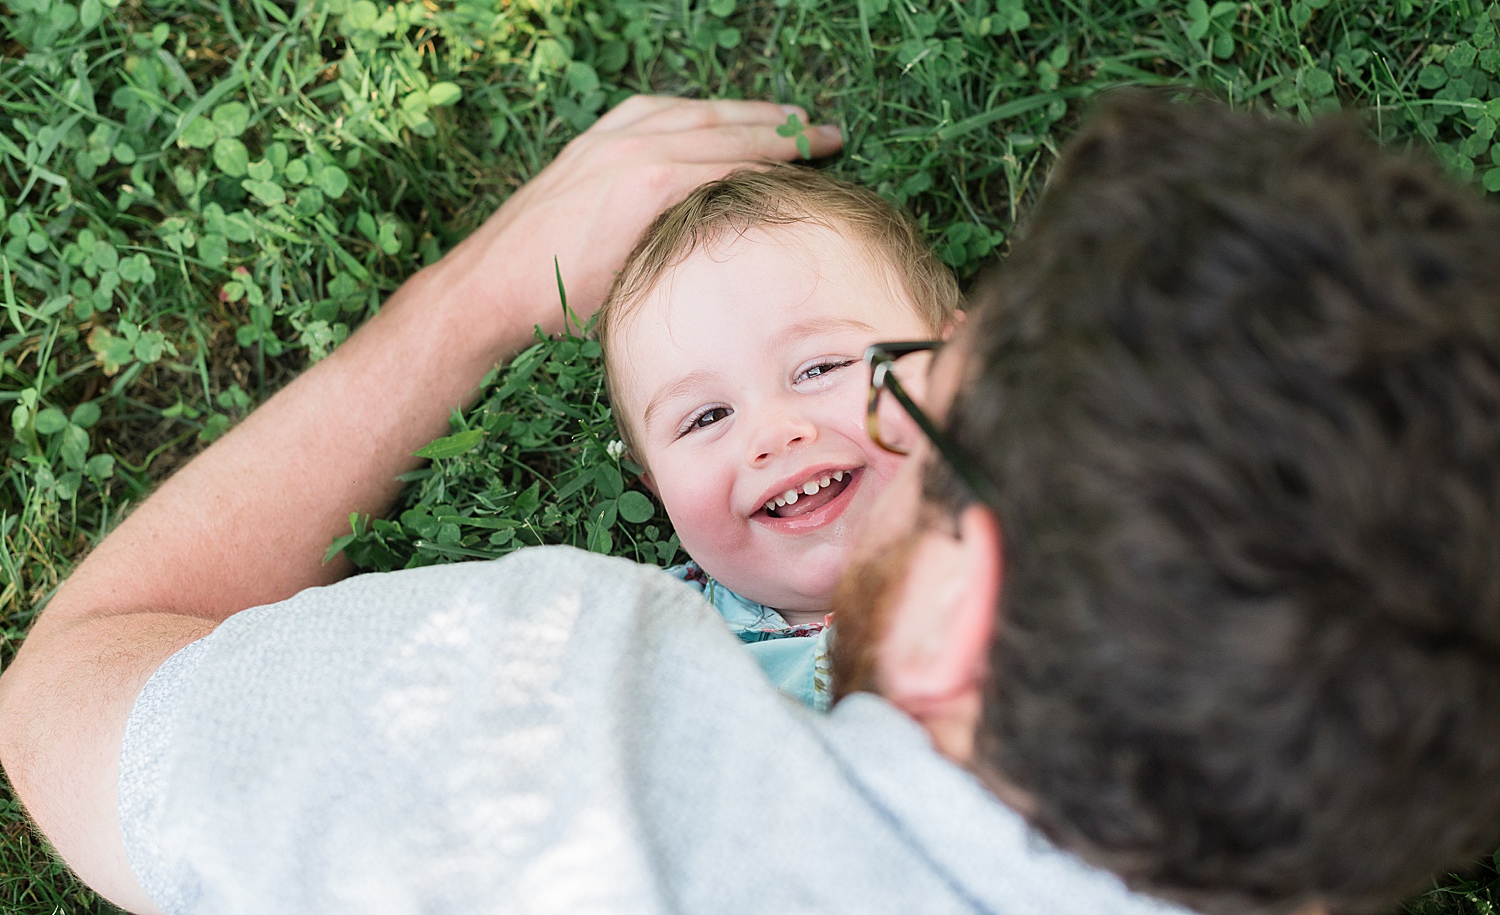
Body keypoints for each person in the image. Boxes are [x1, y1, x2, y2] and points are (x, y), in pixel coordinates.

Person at [2, 90, 1500, 915]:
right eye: (701, 416)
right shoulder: (1320, 830)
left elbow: (70, 693)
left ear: (961, 608)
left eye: (916, 392)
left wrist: (466, 298)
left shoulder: (540, 736)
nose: (792, 434)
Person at [593, 165, 960, 709]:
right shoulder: (642, 649)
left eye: (819, 369)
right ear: (656, 489)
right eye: (707, 418)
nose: (771, 435)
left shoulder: (1063, 498)